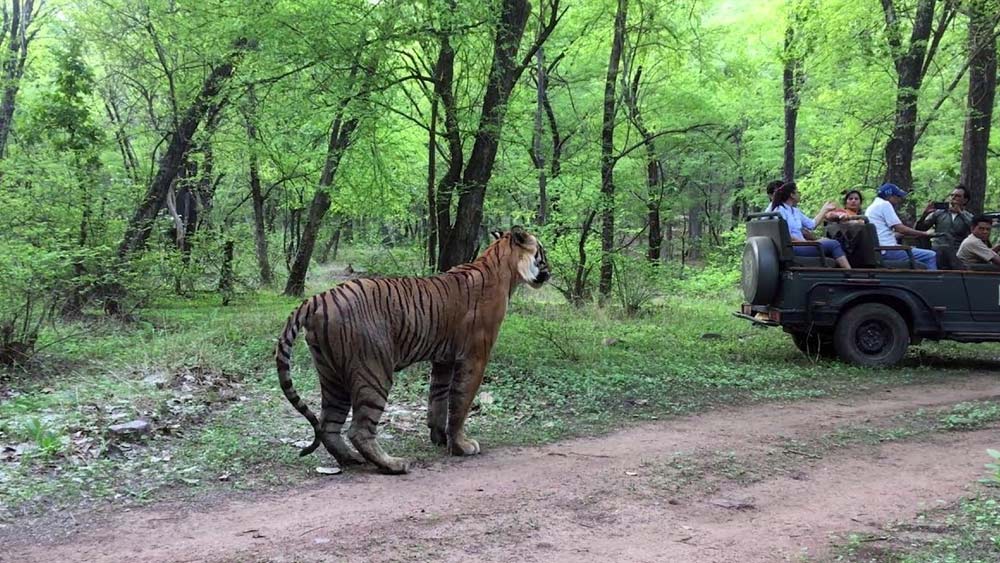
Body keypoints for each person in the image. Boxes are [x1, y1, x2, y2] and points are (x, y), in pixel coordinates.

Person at [769, 182, 851, 269]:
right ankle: (849, 272)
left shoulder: (795, 211)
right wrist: (811, 243)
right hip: (794, 247)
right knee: (834, 244)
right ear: (792, 195)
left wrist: (825, 209)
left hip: (802, 245)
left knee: (829, 242)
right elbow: (787, 236)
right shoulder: (779, 211)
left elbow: (811, 225)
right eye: (798, 192)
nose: (799, 194)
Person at [865, 183, 936, 270]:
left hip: (881, 249)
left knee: (918, 255)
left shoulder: (872, 207)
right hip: (888, 250)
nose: (899, 199)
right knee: (931, 255)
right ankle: (934, 282)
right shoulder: (885, 205)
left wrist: (898, 235)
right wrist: (925, 233)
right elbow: (900, 228)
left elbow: (882, 231)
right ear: (890, 196)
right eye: (898, 196)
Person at [915, 184, 973, 252]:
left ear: (965, 200)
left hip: (957, 250)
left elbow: (973, 228)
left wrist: (960, 213)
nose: (953, 197)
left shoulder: (968, 216)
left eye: (957, 196)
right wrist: (925, 214)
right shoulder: (939, 213)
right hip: (937, 247)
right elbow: (920, 228)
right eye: (952, 195)